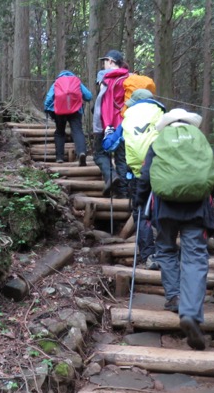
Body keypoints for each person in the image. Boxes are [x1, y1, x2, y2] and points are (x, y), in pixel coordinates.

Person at [134, 108, 214, 351]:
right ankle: (191, 313)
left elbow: (145, 178)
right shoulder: (201, 142)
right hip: (197, 211)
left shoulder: (158, 143)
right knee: (195, 258)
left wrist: (138, 202)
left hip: (164, 210)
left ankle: (174, 296)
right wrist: (208, 195)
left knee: (165, 249)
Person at [120, 89, 165, 269]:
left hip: (137, 173)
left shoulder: (127, 117)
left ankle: (148, 255)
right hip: (161, 172)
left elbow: (111, 144)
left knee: (140, 214)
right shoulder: (162, 114)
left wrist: (107, 136)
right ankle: (165, 252)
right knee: (161, 211)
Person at [94, 50, 130, 195]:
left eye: (105, 61)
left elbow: (101, 102)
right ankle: (123, 195)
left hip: (106, 123)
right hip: (125, 124)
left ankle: (111, 176)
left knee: (100, 154)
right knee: (122, 159)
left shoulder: (105, 76)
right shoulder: (129, 78)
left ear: (110, 61)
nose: (103, 64)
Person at [44, 70, 93, 165]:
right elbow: (88, 96)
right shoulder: (76, 81)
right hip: (76, 110)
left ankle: (59, 157)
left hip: (59, 111)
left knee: (60, 132)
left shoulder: (57, 82)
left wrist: (47, 108)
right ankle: (81, 153)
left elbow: (49, 98)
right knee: (77, 131)